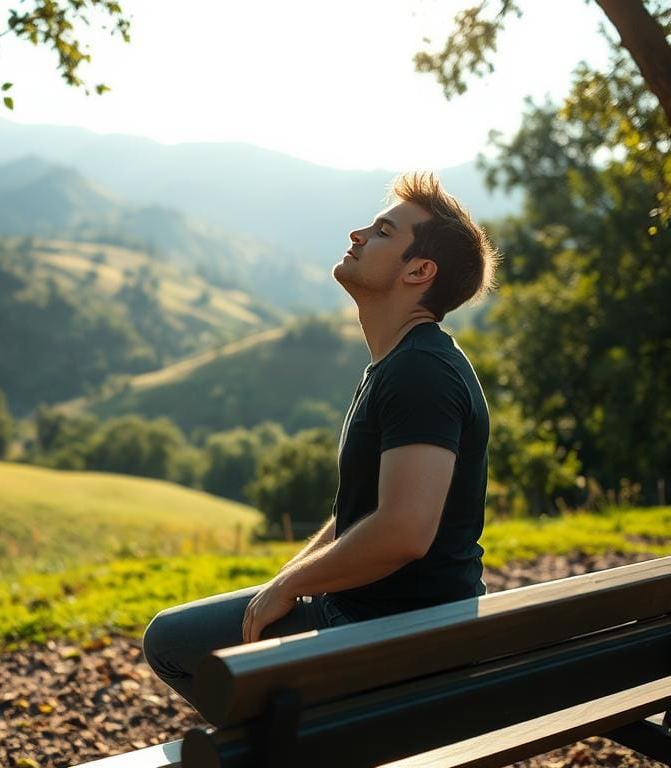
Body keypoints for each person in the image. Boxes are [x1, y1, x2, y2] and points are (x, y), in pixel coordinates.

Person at [142, 172, 498, 713]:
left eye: (382, 231)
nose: (357, 234)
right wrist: (289, 577)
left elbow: (403, 531)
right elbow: (365, 513)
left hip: (388, 634)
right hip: (404, 624)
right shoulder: (403, 363)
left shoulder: (420, 371)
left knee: (169, 641)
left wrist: (289, 590)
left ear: (419, 271)